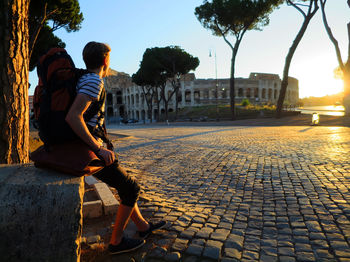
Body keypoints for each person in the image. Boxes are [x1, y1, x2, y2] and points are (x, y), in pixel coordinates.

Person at [65, 41, 165, 254]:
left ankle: (142, 227)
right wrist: (98, 148)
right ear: (105, 60)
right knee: (132, 188)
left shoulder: (87, 79)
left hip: (93, 146)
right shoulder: (93, 81)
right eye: (109, 57)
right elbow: (73, 116)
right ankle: (116, 241)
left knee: (125, 185)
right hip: (91, 150)